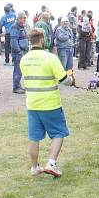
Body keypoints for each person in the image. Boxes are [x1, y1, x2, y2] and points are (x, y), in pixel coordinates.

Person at [21, 28, 74, 177]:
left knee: (34, 137)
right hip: (50, 103)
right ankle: (51, 163)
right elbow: (64, 80)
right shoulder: (50, 58)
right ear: (42, 40)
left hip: (32, 104)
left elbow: (23, 82)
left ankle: (34, 167)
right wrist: (71, 80)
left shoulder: (24, 59)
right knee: (58, 132)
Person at [10, 13, 29, 94]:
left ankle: (18, 85)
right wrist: (18, 51)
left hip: (23, 51)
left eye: (25, 18)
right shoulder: (15, 27)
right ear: (18, 19)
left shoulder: (22, 27)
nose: (24, 20)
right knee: (18, 70)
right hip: (18, 52)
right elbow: (14, 41)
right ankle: (16, 87)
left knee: (20, 70)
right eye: (22, 18)